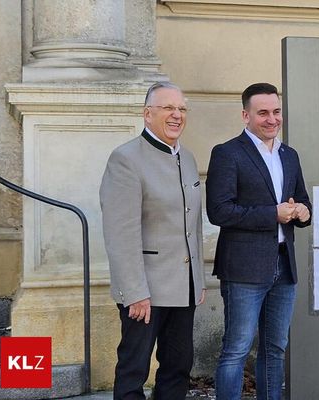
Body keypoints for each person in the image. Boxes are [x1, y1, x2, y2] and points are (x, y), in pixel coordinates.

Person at [100, 81, 206, 400]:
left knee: (178, 368)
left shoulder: (188, 158)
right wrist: (134, 292)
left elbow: (192, 224)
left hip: (183, 288)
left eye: (182, 109)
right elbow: (121, 233)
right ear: (147, 114)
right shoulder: (126, 159)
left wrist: (198, 280)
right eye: (168, 108)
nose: (177, 115)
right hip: (145, 289)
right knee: (133, 371)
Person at [206, 82, 311, 400]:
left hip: (284, 265)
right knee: (236, 350)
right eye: (263, 112)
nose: (272, 119)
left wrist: (303, 212)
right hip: (243, 269)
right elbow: (219, 211)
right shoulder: (227, 153)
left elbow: (303, 200)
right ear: (245, 115)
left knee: (275, 348)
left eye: (276, 111)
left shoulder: (289, 155)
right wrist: (272, 214)